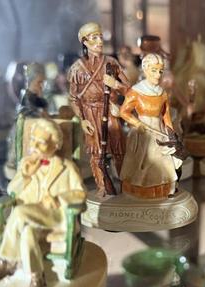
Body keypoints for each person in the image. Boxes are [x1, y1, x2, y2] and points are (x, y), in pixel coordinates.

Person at [0, 119, 86, 287]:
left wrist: (58, 199)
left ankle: (6, 262)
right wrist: (25, 175)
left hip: (54, 217)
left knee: (19, 213)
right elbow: (12, 191)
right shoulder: (26, 164)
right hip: (30, 220)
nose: (34, 146)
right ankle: (36, 278)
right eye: (33, 140)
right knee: (27, 233)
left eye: (41, 142)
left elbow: (80, 193)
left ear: (55, 145)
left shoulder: (67, 167)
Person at [68, 22, 130, 195]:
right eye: (94, 38)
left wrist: (115, 84)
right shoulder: (77, 69)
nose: (100, 41)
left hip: (109, 110)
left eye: (101, 37)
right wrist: (82, 120)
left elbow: (129, 90)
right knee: (96, 153)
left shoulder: (111, 63)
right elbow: (73, 98)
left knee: (118, 149)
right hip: (90, 113)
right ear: (85, 42)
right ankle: (102, 186)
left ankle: (125, 184)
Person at [119, 53, 183, 199]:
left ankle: (164, 189)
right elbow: (124, 112)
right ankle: (142, 191)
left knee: (163, 161)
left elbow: (166, 115)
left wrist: (171, 134)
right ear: (145, 69)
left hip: (159, 130)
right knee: (146, 160)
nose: (158, 75)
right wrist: (137, 123)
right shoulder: (136, 92)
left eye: (160, 71)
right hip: (143, 131)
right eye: (154, 70)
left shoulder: (162, 93)